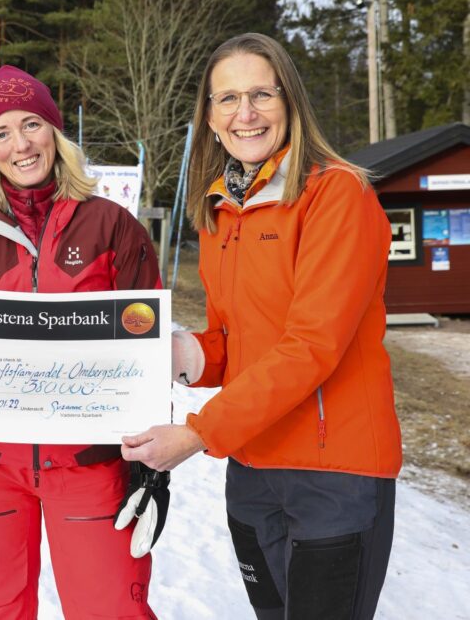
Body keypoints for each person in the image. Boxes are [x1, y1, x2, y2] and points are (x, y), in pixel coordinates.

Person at [121, 33, 402, 619]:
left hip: (334, 473)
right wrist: (168, 354)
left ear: (291, 102)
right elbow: (235, 341)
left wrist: (198, 433)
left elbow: (310, 346)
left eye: (260, 95)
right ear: (209, 116)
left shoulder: (336, 194)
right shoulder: (221, 207)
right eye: (227, 99)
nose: (244, 114)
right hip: (253, 474)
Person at [0, 65, 166, 620]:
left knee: (110, 610)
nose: (20, 144)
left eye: (31, 124)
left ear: (55, 132)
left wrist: (149, 461)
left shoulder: (111, 226)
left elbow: (144, 346)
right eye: (1, 133)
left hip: (89, 462)